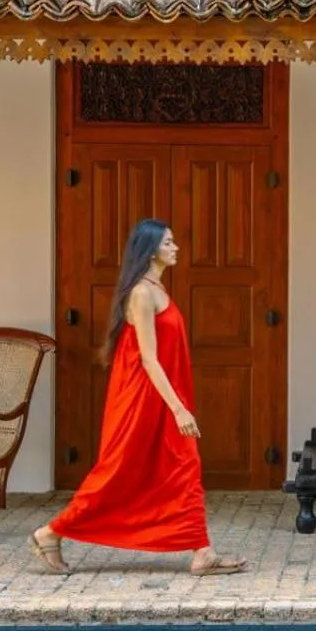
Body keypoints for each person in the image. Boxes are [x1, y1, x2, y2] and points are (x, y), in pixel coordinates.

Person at [30, 218, 247, 576]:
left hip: (161, 395)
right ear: (149, 251)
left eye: (174, 242)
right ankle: (49, 532)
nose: (176, 248)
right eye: (168, 243)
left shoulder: (156, 289)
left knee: (182, 465)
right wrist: (179, 409)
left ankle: (201, 551)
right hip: (145, 399)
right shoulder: (142, 294)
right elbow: (149, 359)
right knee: (119, 472)